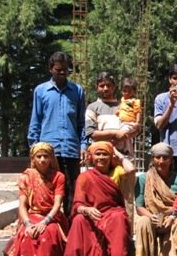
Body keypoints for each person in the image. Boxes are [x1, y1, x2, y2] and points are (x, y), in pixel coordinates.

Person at [27, 51, 86, 215]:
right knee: (45, 191)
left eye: (65, 70)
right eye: (58, 69)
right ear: (50, 69)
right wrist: (34, 148)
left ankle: (70, 231)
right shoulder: (41, 91)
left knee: (71, 192)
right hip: (47, 152)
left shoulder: (77, 91)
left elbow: (81, 122)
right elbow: (35, 121)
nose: (62, 73)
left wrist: (83, 145)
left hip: (71, 150)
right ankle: (49, 230)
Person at [85, 72, 139, 232]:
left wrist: (128, 132)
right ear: (97, 87)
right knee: (103, 198)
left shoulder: (125, 104)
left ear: (115, 87)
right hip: (103, 162)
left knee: (127, 198)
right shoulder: (92, 108)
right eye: (102, 85)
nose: (105, 88)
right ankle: (102, 231)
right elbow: (91, 133)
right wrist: (114, 136)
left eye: (109, 85)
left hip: (125, 158)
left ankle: (127, 234)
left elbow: (136, 128)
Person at [64, 141, 135, 255]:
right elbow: (77, 204)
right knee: (79, 220)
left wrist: (117, 153)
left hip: (112, 213)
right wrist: (87, 210)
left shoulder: (116, 171)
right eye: (98, 154)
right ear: (92, 157)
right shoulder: (84, 177)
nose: (101, 157)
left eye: (105, 154)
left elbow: (131, 169)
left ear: (111, 156)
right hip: (91, 214)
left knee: (119, 217)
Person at [4, 142, 69, 256]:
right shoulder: (26, 177)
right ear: (33, 159)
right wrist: (28, 224)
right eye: (39, 156)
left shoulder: (59, 176)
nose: (42, 160)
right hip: (31, 217)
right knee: (27, 234)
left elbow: (57, 204)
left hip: (52, 217)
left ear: (51, 158)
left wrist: (44, 222)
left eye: (46, 156)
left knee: (48, 234)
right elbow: (22, 205)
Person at [134, 142, 177, 256]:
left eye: (165, 157)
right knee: (143, 222)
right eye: (157, 157)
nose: (161, 161)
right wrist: (151, 217)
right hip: (152, 218)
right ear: (152, 159)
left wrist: (172, 217)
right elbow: (139, 207)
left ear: (171, 160)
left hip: (173, 218)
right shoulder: (144, 178)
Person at [116, 76, 141, 155]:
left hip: (129, 123)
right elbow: (121, 108)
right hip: (121, 122)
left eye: (129, 91)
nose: (127, 93)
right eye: (124, 91)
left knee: (122, 134)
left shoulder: (135, 101)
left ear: (134, 91)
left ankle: (120, 147)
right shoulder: (122, 99)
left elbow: (138, 112)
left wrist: (137, 122)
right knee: (126, 138)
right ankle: (127, 150)